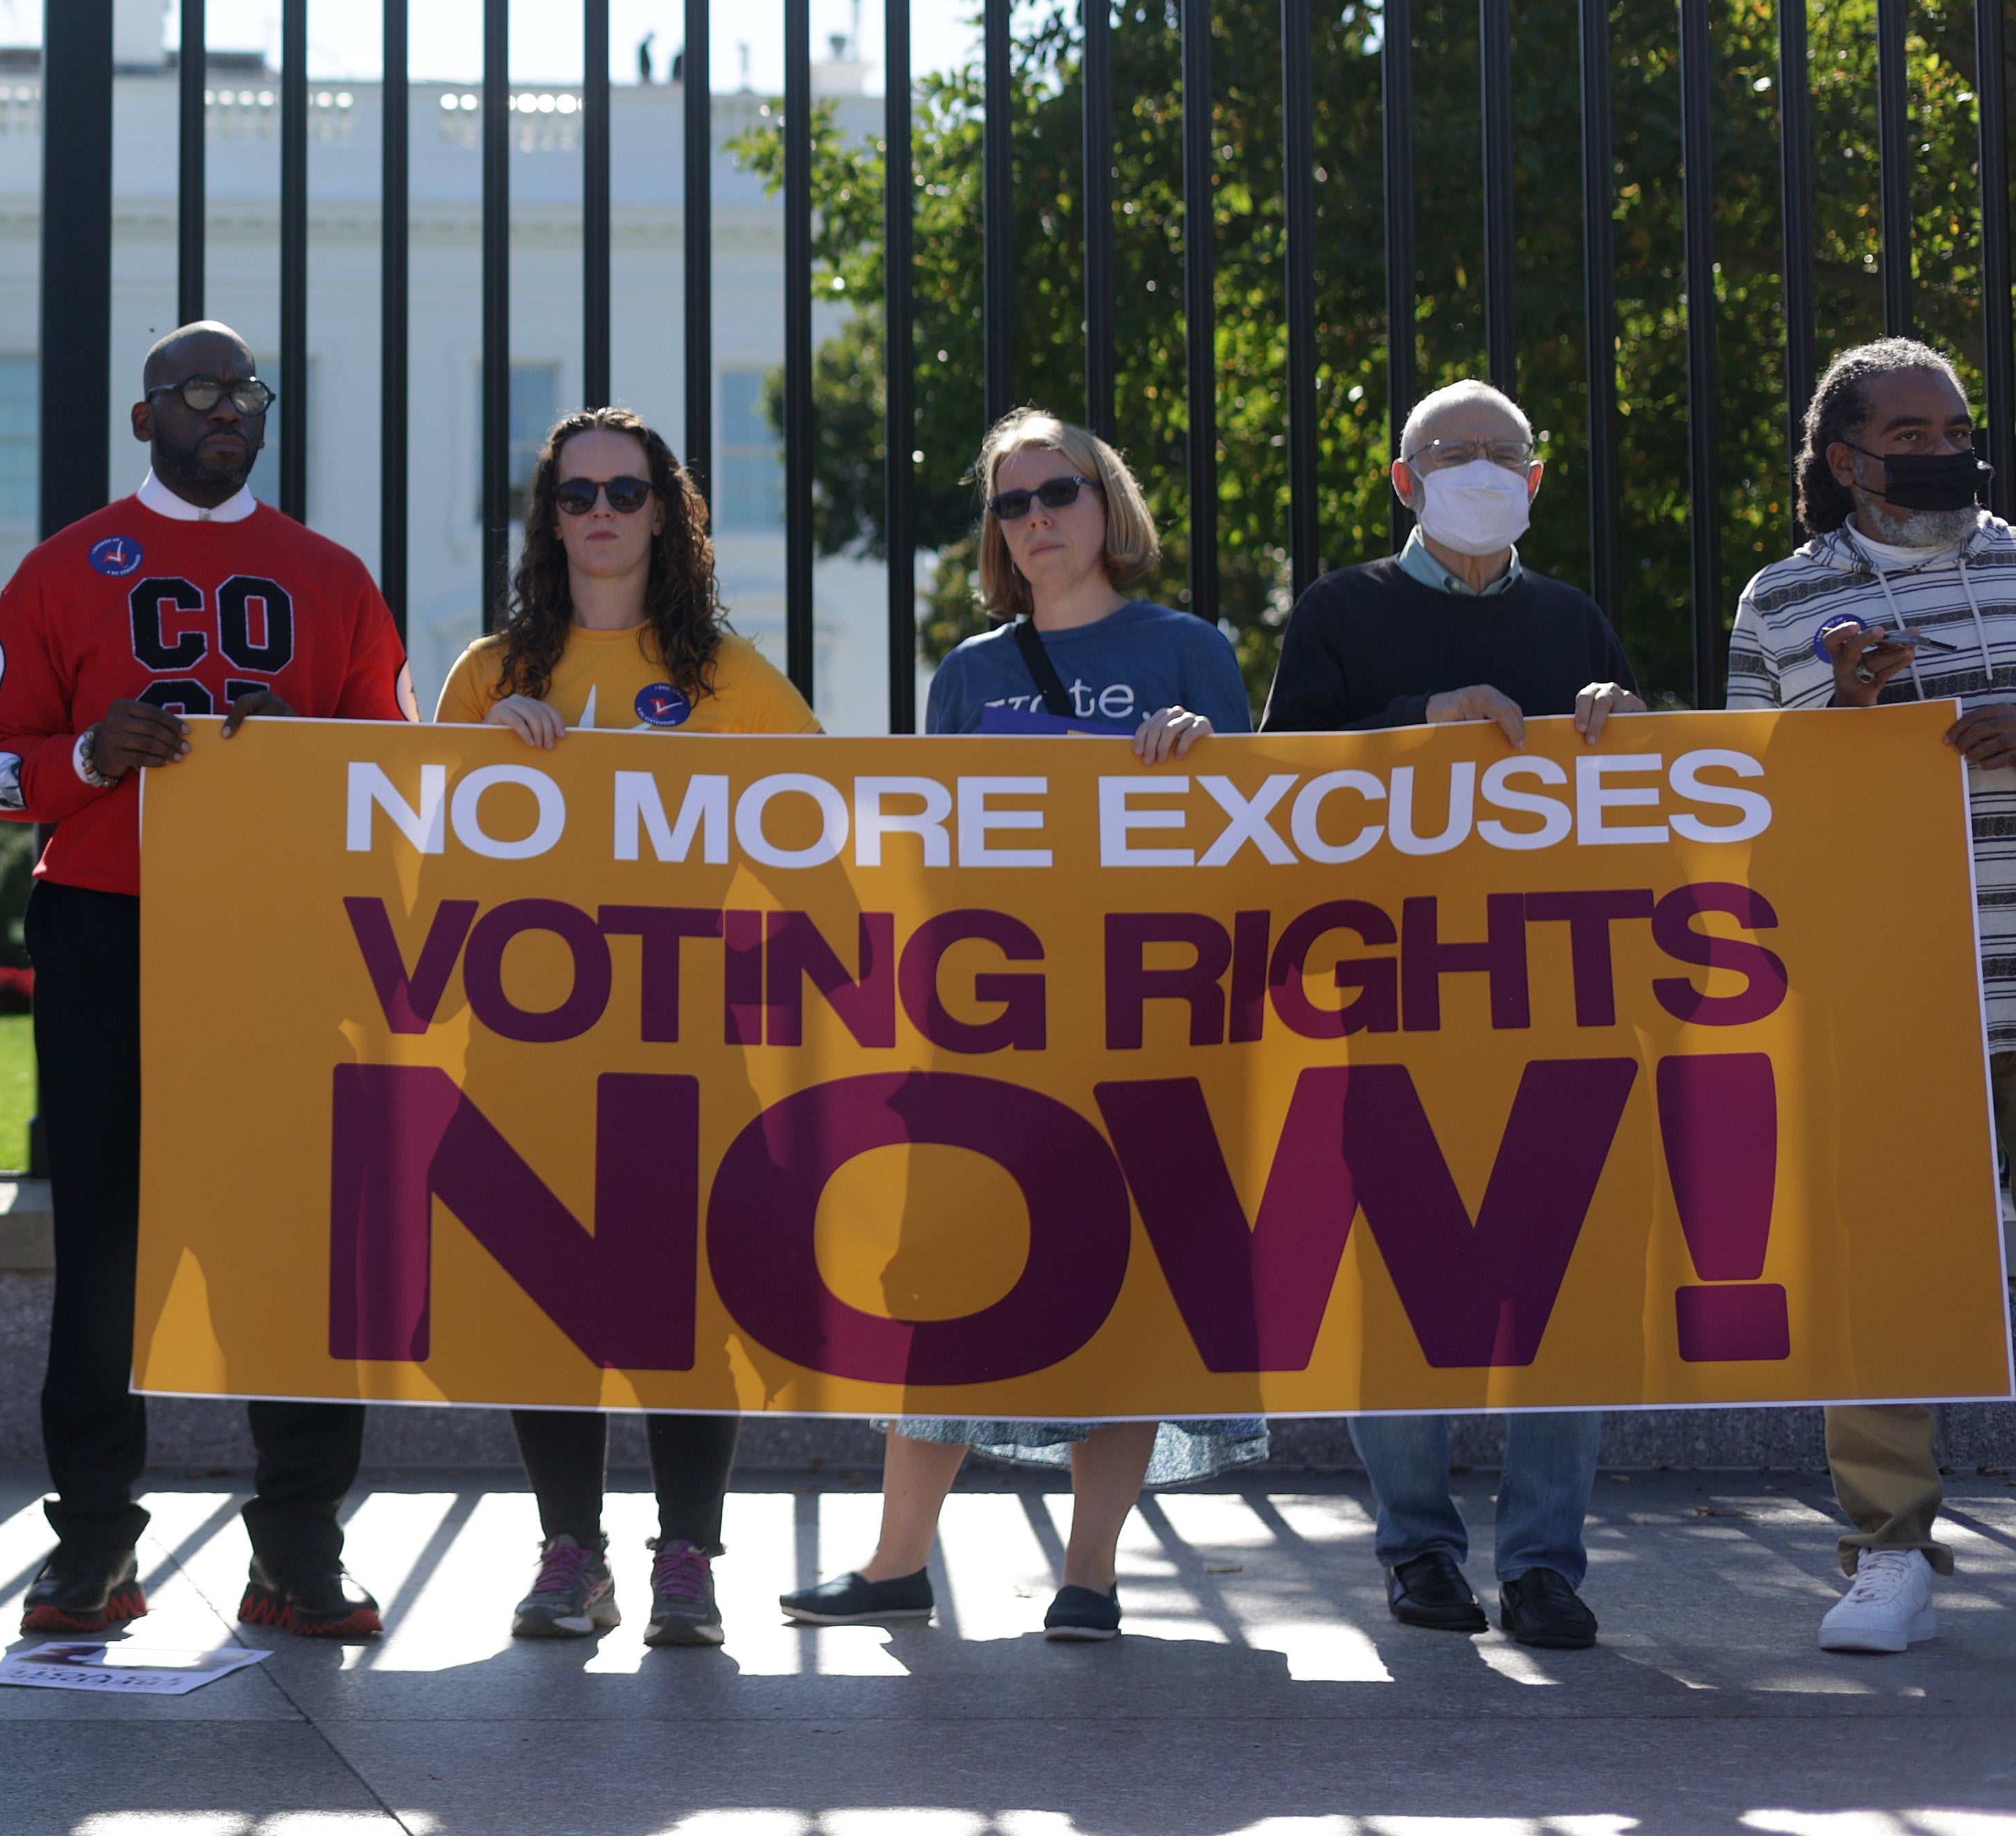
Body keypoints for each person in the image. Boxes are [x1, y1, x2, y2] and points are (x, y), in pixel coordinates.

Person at [0, 319, 411, 1641]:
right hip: (109, 922)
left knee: (293, 1241)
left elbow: (392, 780)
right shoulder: (60, 570)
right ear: (145, 415)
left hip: (280, 937)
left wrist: (304, 758)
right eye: (200, 390)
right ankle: (95, 1542)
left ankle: (301, 1549)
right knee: (105, 1244)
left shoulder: (330, 577)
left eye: (246, 391)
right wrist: (93, 756)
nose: (228, 408)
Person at [785, 408, 1261, 1639]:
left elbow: (1262, 842)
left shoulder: (1189, 649)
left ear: (1109, 503)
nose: (1036, 518)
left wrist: (1210, 763)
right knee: (947, 1280)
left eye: (1058, 492)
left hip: (1150, 1018)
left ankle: (1091, 1578)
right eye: (1011, 503)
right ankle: (897, 1563)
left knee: (1133, 1293)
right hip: (998, 1026)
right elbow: (934, 860)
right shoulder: (970, 674)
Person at [1265, 377, 1642, 1652]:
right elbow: (1278, 800)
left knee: (1563, 1291)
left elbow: (1643, 817)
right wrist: (1407, 731)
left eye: (1502, 452)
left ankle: (1545, 1566)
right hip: (1385, 999)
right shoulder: (1339, 612)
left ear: (1536, 482)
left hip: (1550, 1000)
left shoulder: (1575, 618)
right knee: (1395, 1287)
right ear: (1402, 480)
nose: (1478, 468)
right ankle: (1418, 1549)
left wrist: (1627, 736)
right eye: (1451, 451)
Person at [437, 409, 805, 1649]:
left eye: (626, 491)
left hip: (686, 1034)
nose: (601, 510)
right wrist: (491, 760)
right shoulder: (489, 676)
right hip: (529, 1041)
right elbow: (421, 861)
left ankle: (687, 1560)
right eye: (576, 491)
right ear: (550, 516)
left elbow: (823, 842)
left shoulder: (731, 679)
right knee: (556, 1304)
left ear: (667, 513)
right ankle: (569, 1555)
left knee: (685, 1307)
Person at [1723, 336, 2016, 1656]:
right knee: (1891, 1273)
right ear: (1844, 461)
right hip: (1894, 987)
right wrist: (1848, 721)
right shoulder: (1781, 602)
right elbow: (1750, 812)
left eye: (1955, 424)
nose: (1945, 446)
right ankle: (1888, 1548)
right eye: (1910, 434)